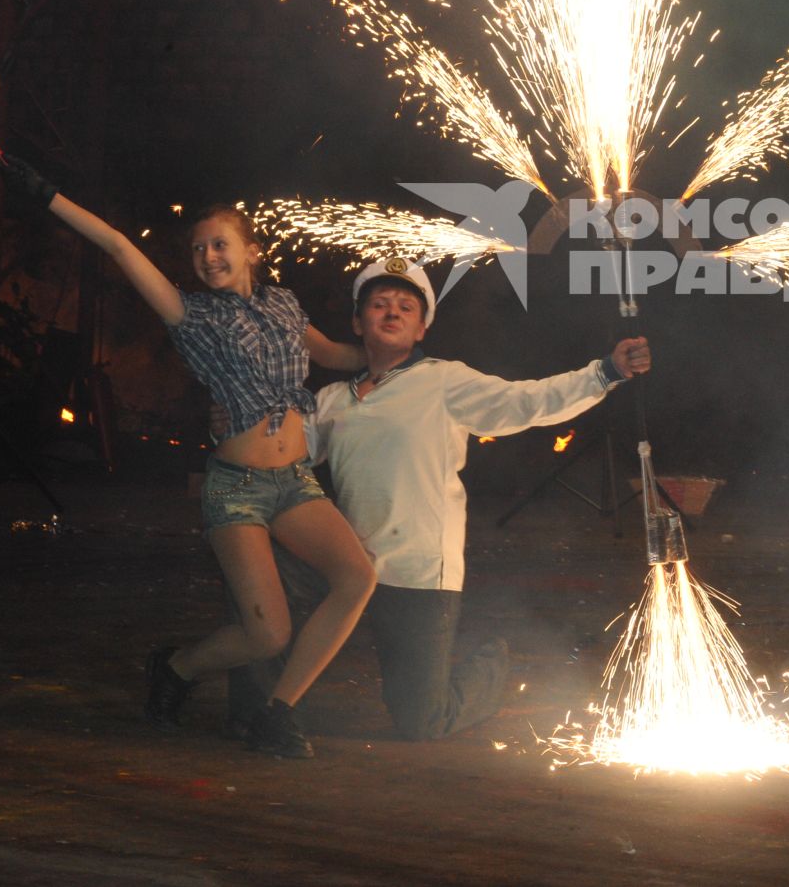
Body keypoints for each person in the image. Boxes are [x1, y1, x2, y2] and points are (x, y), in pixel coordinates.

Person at [3, 158, 376, 758]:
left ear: (251, 250)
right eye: (199, 249)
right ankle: (177, 667)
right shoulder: (193, 316)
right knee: (267, 631)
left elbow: (333, 353)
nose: (208, 257)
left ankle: (279, 713)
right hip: (237, 488)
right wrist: (48, 198)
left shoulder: (284, 304)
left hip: (295, 479)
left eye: (221, 244)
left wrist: (387, 348)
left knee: (358, 577)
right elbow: (119, 247)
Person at [232, 257, 650, 741]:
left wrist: (605, 372)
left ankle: (492, 661)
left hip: (419, 574)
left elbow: (526, 402)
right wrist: (238, 423)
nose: (391, 312)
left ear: (422, 328)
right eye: (379, 304)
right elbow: (281, 449)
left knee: (421, 721)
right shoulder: (333, 400)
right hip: (347, 568)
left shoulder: (444, 380)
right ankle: (252, 712)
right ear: (356, 322)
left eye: (405, 307)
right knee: (256, 579)